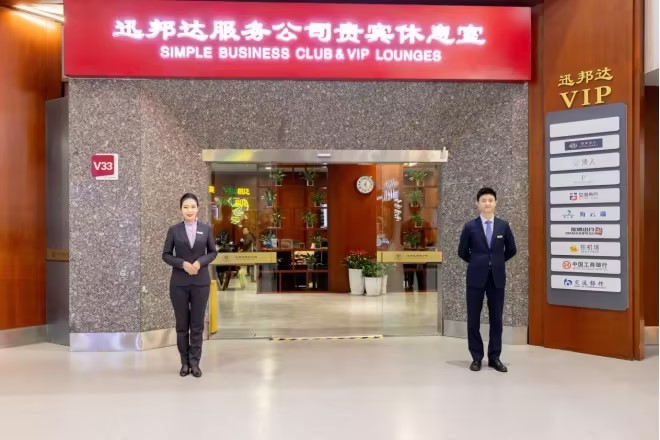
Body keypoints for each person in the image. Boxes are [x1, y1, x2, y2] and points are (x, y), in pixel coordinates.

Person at [457, 187, 517, 373]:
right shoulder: (470, 226)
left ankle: (494, 357)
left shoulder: (503, 226)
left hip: (497, 278)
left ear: (495, 203)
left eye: (490, 200)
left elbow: (512, 249)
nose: (487, 203)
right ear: (478, 204)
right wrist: (478, 262)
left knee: (496, 319)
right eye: (483, 200)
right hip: (475, 278)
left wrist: (496, 262)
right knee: (473, 319)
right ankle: (476, 357)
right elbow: (462, 251)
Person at [162, 193, 217, 378]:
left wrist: (200, 262)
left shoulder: (206, 229)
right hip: (179, 283)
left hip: (200, 283)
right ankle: (184, 363)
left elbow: (213, 252)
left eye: (192, 206)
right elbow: (166, 254)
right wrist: (182, 264)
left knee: (197, 324)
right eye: (185, 207)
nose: (189, 210)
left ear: (198, 208)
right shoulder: (174, 230)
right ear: (181, 209)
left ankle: (195, 363)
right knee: (182, 325)